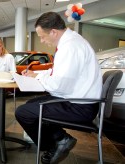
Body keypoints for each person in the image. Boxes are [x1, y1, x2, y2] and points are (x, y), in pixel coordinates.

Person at [15, 12, 102, 164]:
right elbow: (59, 73)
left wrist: (37, 78)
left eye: (42, 36)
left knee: (23, 113)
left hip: (79, 107)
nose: (42, 40)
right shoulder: (72, 41)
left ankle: (55, 145)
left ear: (54, 32)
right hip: (80, 100)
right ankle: (60, 138)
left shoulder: (70, 47)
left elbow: (58, 86)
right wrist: (36, 74)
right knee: (31, 106)